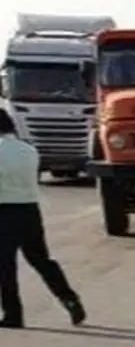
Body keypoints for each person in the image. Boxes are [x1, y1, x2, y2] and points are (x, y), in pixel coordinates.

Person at [0, 109, 86, 328]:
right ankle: (68, 298)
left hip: (4, 210)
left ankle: (13, 314)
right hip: (29, 209)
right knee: (41, 260)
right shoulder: (29, 150)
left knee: (5, 266)